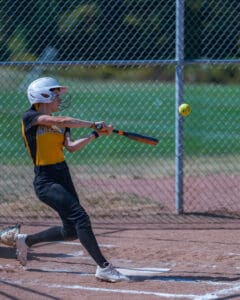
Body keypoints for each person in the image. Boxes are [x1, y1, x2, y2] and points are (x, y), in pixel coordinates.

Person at [17, 77, 128, 283]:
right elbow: (60, 120)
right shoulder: (31, 117)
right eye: (55, 94)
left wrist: (95, 134)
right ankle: (103, 267)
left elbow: (72, 147)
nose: (59, 98)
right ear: (43, 96)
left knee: (70, 231)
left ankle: (26, 241)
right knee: (80, 218)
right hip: (46, 180)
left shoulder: (61, 125)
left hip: (63, 174)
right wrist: (92, 123)